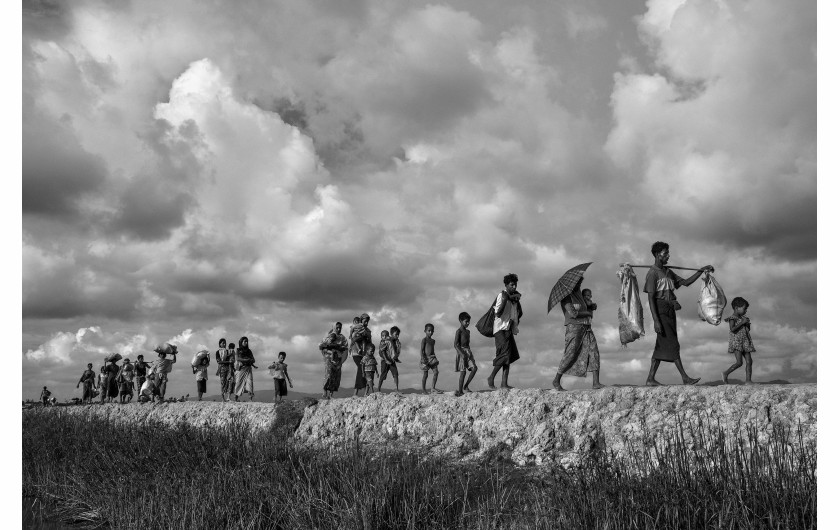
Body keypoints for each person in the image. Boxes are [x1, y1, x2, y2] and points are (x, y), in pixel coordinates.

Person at [644, 241, 714, 386]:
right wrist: (656, 321)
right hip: (661, 310)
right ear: (657, 255)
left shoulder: (668, 272)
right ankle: (685, 377)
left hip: (670, 311)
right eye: (665, 253)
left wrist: (700, 270)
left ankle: (650, 378)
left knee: (661, 345)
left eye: (668, 253)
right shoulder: (652, 273)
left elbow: (686, 282)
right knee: (673, 344)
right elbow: (650, 299)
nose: (668, 256)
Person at [553, 282, 604, 391]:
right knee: (570, 354)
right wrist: (587, 313)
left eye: (580, 283)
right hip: (574, 328)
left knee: (594, 351)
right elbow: (573, 313)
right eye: (578, 283)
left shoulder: (580, 296)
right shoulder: (566, 297)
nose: (579, 285)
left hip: (586, 327)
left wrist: (591, 307)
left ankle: (596, 382)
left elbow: (586, 306)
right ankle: (556, 380)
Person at [488, 273, 523, 389]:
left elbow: (520, 313)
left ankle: (504, 383)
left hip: (508, 329)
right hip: (500, 329)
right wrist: (506, 299)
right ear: (506, 285)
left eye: (515, 285)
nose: (514, 287)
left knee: (509, 356)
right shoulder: (502, 295)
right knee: (504, 354)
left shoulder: (513, 298)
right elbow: (497, 313)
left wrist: (516, 301)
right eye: (512, 285)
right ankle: (491, 377)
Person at [721, 297, 756, 384]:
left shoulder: (743, 318)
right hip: (737, 343)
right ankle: (725, 373)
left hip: (745, 342)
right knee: (739, 362)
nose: (746, 311)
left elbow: (747, 330)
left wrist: (747, 324)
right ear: (737, 308)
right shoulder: (732, 318)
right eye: (744, 308)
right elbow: (732, 329)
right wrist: (742, 323)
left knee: (749, 361)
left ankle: (748, 380)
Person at [319, 323, 348, 399]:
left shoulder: (343, 338)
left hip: (338, 358)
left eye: (340, 328)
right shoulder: (328, 336)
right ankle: (325, 391)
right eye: (337, 328)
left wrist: (341, 358)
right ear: (335, 328)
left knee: (336, 376)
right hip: (328, 358)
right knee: (328, 374)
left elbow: (345, 349)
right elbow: (321, 346)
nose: (339, 329)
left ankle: (331, 394)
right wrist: (328, 349)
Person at [454, 312, 477, 396]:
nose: (468, 323)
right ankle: (460, 391)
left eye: (469, 321)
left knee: (474, 368)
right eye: (466, 321)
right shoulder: (459, 331)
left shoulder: (468, 332)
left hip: (468, 351)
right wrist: (461, 354)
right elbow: (455, 344)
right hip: (461, 351)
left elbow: (468, 344)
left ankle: (466, 386)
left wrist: (469, 354)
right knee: (463, 372)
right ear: (461, 321)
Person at [350, 314, 373, 397]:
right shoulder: (357, 328)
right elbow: (353, 338)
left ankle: (365, 392)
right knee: (361, 367)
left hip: (365, 353)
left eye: (367, 321)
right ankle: (355, 392)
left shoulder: (368, 331)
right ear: (361, 320)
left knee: (367, 370)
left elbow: (370, 342)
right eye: (365, 321)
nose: (366, 323)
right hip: (356, 353)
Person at [420, 323, 442, 394]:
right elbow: (422, 350)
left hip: (432, 358)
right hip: (425, 359)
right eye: (429, 331)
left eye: (432, 331)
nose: (430, 332)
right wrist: (422, 358)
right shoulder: (424, 340)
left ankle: (433, 388)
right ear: (425, 331)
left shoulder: (433, 341)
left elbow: (432, 350)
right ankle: (424, 389)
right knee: (425, 374)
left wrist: (435, 357)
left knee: (436, 372)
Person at [377, 329, 400, 393]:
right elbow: (382, 352)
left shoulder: (391, 341)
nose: (384, 337)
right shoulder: (382, 342)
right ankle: (378, 389)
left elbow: (394, 350)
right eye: (382, 336)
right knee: (383, 374)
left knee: (395, 373)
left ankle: (396, 388)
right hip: (384, 361)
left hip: (391, 360)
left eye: (386, 335)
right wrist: (386, 360)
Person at [234, 336, 257, 402]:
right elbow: (238, 358)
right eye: (244, 341)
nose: (246, 343)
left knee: (250, 383)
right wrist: (246, 360)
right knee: (239, 383)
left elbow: (253, 360)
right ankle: (236, 398)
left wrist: (249, 360)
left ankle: (250, 399)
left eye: (247, 341)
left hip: (248, 368)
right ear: (241, 342)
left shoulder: (249, 351)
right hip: (241, 368)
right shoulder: (238, 350)